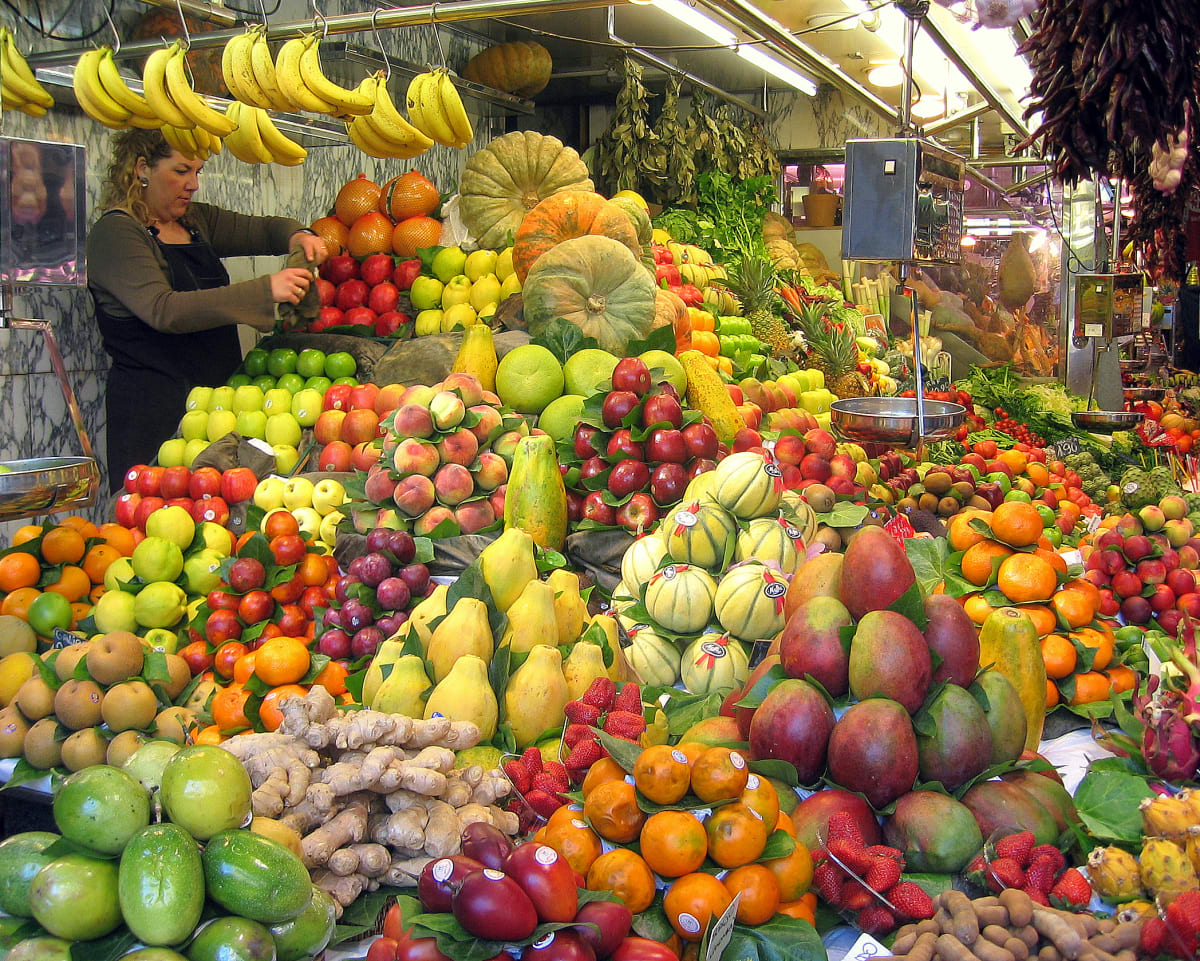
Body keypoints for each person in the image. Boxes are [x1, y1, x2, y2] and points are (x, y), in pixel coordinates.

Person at [86, 128, 327, 491]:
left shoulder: (193, 221)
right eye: (182, 171)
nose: (193, 184)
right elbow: (164, 310)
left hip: (217, 404)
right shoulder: (117, 234)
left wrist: (299, 236)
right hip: (155, 415)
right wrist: (265, 291)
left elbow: (264, 230)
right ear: (141, 169)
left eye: (197, 172)